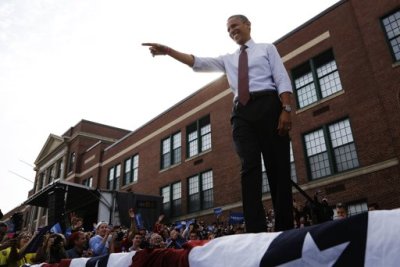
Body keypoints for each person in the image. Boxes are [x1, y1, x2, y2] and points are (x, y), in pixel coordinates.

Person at [143, 14, 294, 232]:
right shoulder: (228, 59)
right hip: (242, 113)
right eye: (228, 29)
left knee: (277, 167)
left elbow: (281, 78)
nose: (232, 31)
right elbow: (198, 62)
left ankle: (285, 228)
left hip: (269, 105)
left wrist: (286, 109)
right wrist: (168, 51)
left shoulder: (267, 49)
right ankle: (256, 229)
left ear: (247, 25)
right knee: (249, 166)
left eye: (235, 26)